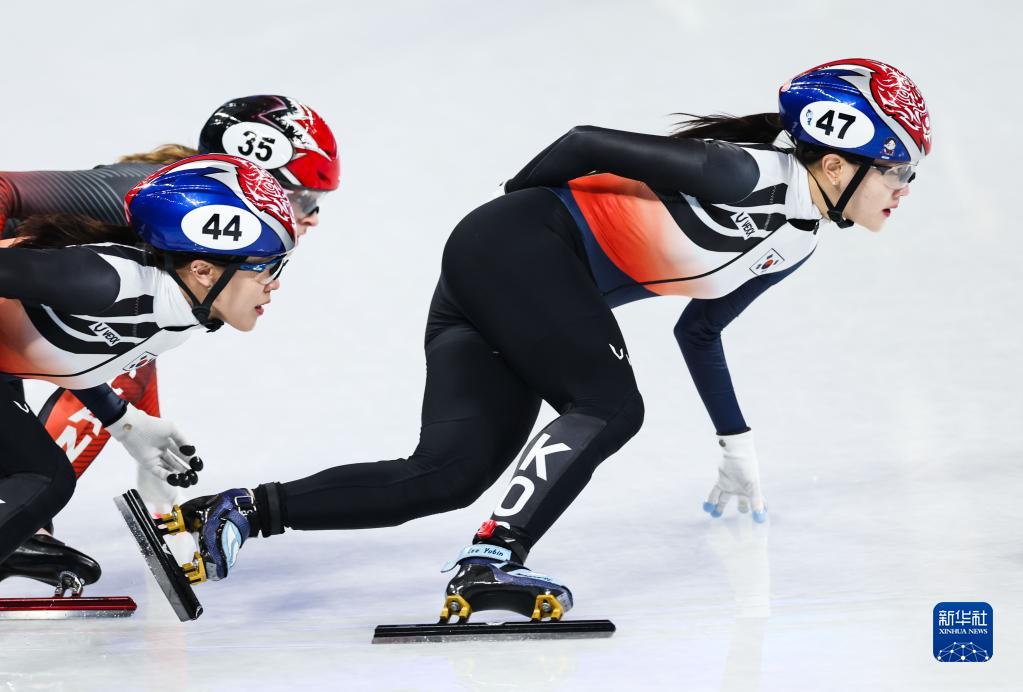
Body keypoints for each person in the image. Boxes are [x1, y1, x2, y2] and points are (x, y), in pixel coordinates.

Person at [162, 58, 931, 620]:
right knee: (608, 404)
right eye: (898, 172)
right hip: (518, 254)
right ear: (834, 160)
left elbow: (700, 330)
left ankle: (232, 512)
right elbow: (584, 140)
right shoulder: (741, 174)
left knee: (444, 474)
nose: (903, 193)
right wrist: (514, 224)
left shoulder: (793, 240)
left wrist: (735, 445)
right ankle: (490, 561)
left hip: (513, 281)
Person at [0, 96, 339, 591]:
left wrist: (126, 425)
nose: (311, 220)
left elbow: (117, 351)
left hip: (37, 303)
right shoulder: (140, 194)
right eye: (306, 199)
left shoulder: (198, 241)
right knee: (49, 458)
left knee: (117, 362)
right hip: (25, 277)